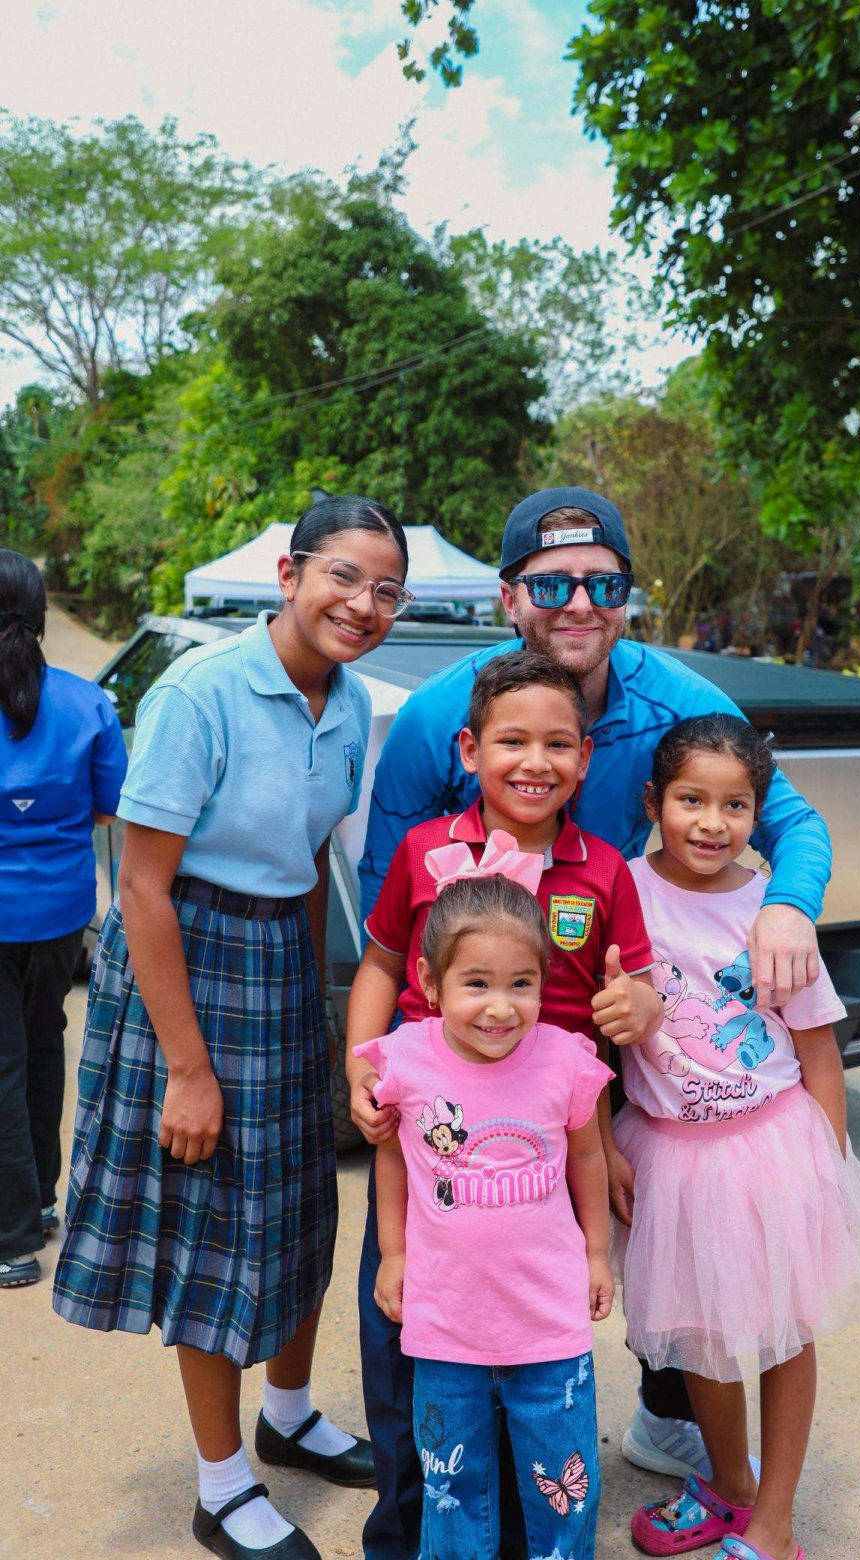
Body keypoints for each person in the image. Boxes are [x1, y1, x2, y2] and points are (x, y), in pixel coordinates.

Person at [357, 487, 833, 1546]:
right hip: (455, 1043)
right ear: (509, 595)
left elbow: (789, 819)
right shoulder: (439, 717)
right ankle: (413, 1511)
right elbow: (385, 924)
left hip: (598, 1030)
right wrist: (370, 1055)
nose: (577, 601)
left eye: (602, 583)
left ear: (626, 595)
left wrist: (788, 903)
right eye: (550, 582)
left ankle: (666, 1428)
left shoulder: (674, 703)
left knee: (619, 1233)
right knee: (421, 1248)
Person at [53, 494, 417, 1560]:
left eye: (385, 589)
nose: (363, 604)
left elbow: (312, 865)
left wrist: (310, 998)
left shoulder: (348, 704)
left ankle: (290, 1414)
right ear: (290, 575)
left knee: (304, 1201)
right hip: (187, 957)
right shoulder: (200, 693)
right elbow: (143, 890)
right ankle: (221, 1489)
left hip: (279, 965)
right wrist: (189, 1069)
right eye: (344, 576)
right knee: (213, 1225)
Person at [348, 649, 659, 1557]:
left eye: (558, 743)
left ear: (587, 758)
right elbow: (378, 964)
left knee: (541, 1363)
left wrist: (642, 1008)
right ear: (469, 748)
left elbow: (639, 991)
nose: (535, 761)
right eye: (512, 740)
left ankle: (530, 1538)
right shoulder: (422, 853)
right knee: (410, 1345)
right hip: (430, 1140)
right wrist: (361, 1071)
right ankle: (415, 1534)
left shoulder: (605, 871)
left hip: (548, 1146)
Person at [613, 714, 860, 1560]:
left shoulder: (771, 906)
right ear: (653, 801)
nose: (711, 822)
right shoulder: (620, 891)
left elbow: (816, 1045)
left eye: (735, 805)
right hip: (666, 1150)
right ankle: (730, 1484)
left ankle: (774, 1523)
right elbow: (589, 1035)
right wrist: (601, 1141)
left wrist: (829, 1168)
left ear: (758, 812)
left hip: (770, 1148)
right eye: (690, 799)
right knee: (696, 1330)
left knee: (784, 1331)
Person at [356, 870, 615, 1560]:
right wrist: (394, 1254)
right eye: (477, 984)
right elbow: (393, 1158)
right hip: (445, 1326)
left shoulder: (564, 1060)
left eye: (520, 984)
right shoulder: (404, 1061)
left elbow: (586, 1159)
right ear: (430, 983)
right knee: (452, 1488)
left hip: (549, 1325)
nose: (500, 1008)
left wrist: (596, 1254)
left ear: (543, 981)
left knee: (564, 1489)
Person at [0, 551, 127, 1290]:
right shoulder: (87, 704)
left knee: (5, 1065)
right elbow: (111, 807)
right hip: (60, 916)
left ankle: (12, 1237)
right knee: (43, 1045)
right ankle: (41, 1202)